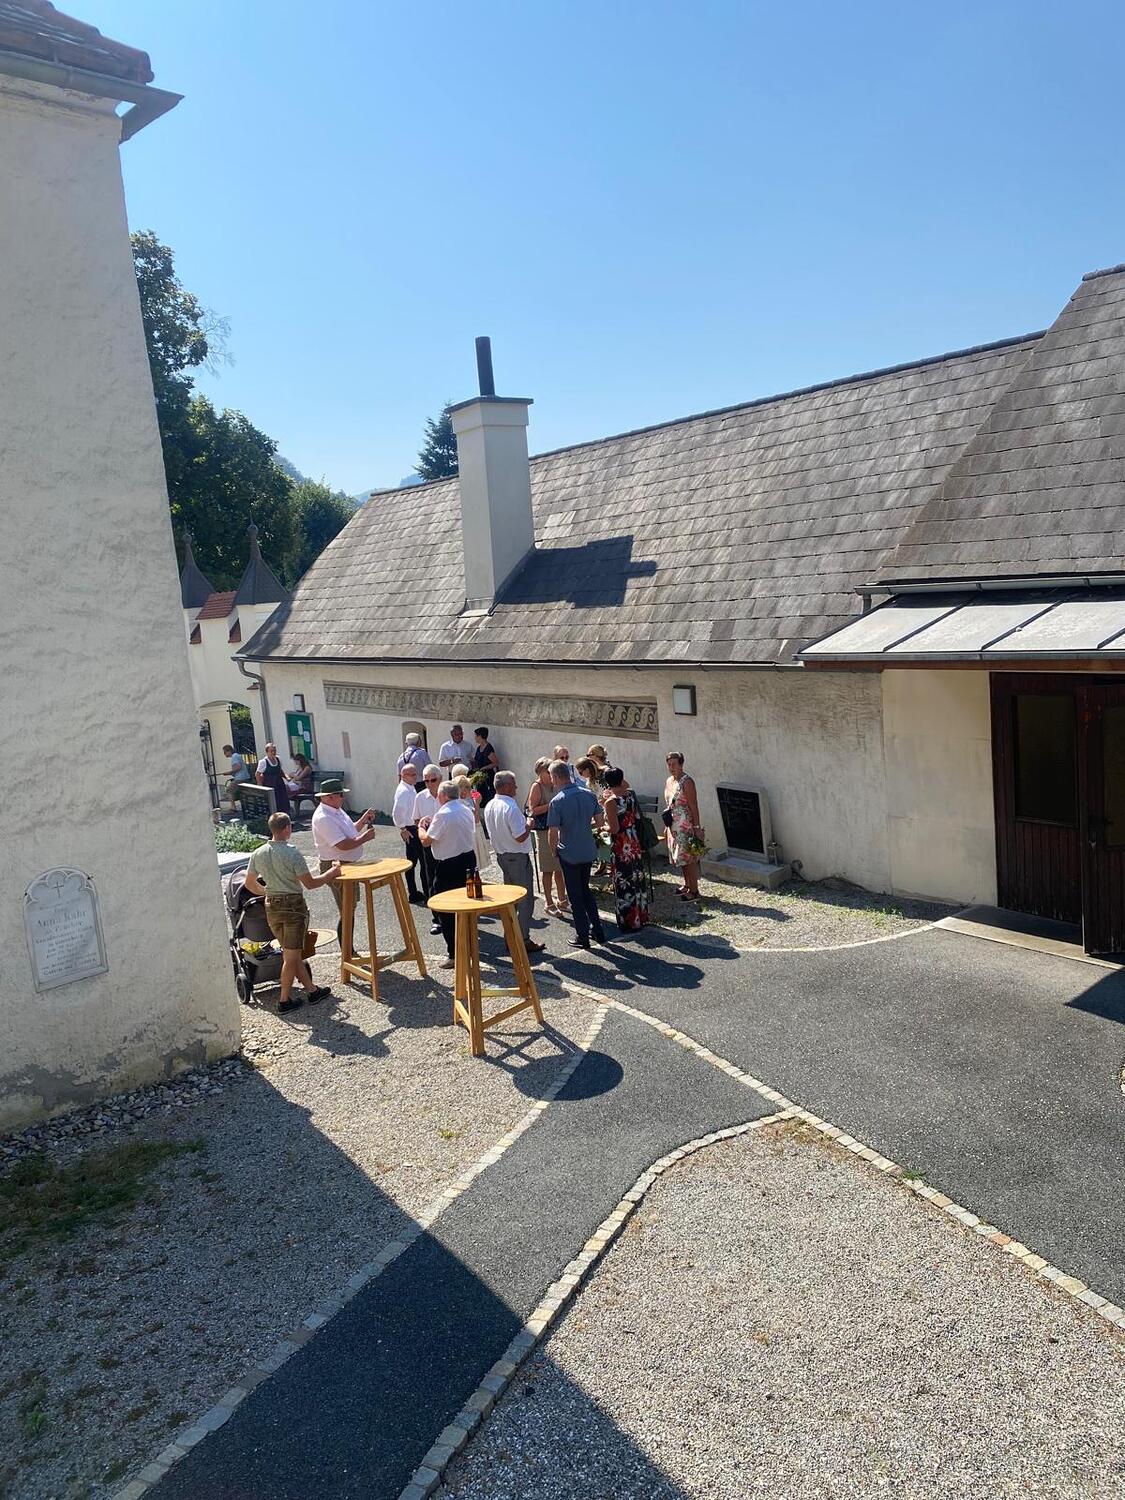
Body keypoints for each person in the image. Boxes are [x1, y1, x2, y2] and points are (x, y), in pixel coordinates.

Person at [243, 812, 340, 1012]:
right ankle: (284, 1000)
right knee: (290, 955)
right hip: (293, 907)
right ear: (287, 828)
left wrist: (268, 892)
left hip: (272, 907)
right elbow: (311, 884)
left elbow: (249, 883)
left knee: (291, 952)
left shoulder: (258, 853)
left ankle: (312, 990)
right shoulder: (292, 853)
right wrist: (331, 873)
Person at [310, 777, 380, 942]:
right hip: (336, 866)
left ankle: (348, 950)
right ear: (330, 797)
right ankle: (347, 950)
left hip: (345, 864)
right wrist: (365, 838)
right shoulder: (323, 817)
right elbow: (342, 844)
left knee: (349, 909)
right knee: (346, 910)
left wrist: (362, 821)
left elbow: (349, 832)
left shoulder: (335, 810)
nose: (343, 797)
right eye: (341, 794)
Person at [547, 758, 605, 949]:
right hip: (587, 849)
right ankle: (598, 929)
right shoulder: (588, 794)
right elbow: (600, 822)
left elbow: (553, 832)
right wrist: (583, 826)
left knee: (574, 895)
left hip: (569, 852)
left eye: (552, 777)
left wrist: (554, 850)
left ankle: (582, 935)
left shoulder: (557, 801)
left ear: (556, 777)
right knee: (585, 890)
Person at [418, 780, 477, 969]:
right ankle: (469, 945)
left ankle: (454, 953)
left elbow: (426, 841)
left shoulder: (443, 814)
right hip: (468, 860)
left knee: (445, 909)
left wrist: (421, 828)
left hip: (449, 864)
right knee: (468, 903)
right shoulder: (466, 809)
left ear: (443, 796)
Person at [484, 771, 545, 952]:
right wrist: (529, 824)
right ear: (506, 787)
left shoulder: (490, 805)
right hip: (516, 857)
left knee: (511, 900)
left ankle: (511, 936)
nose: (516, 787)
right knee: (525, 901)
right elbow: (520, 837)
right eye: (513, 784)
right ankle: (521, 940)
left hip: (502, 856)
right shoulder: (510, 807)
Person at [601, 767, 650, 932]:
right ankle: (641, 916)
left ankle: (628, 920)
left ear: (607, 782)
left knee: (624, 881)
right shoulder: (629, 795)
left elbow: (614, 828)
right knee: (636, 878)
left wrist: (603, 827)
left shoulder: (611, 802)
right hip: (633, 839)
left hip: (621, 844)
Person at [527, 757, 568, 916]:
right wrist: (552, 805)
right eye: (547, 771)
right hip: (544, 831)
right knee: (547, 869)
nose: (550, 775)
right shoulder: (537, 786)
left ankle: (562, 899)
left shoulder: (555, 784)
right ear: (540, 772)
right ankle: (549, 902)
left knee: (559, 868)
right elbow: (532, 810)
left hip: (557, 828)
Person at [663, 751, 703, 901]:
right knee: (680, 857)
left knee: (688, 857)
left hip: (685, 824)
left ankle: (694, 890)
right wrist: (667, 825)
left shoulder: (687, 782)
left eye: (674, 764)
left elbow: (693, 806)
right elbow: (669, 803)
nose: (671, 767)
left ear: (681, 764)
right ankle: (687, 884)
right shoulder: (669, 781)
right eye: (669, 764)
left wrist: (697, 827)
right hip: (673, 824)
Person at [412, 764, 443, 929]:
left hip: (446, 842)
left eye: (433, 780)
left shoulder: (447, 794)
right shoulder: (420, 797)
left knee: (448, 879)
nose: (430, 784)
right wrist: (423, 823)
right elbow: (416, 820)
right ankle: (437, 919)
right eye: (426, 781)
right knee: (431, 879)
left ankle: (453, 916)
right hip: (428, 842)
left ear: (440, 779)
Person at [391, 763, 425, 903]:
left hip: (411, 828)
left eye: (415, 774)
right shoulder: (404, 791)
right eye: (412, 775)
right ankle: (425, 892)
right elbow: (397, 812)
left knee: (412, 862)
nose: (415, 777)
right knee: (422, 861)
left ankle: (413, 892)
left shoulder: (408, 787)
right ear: (403, 776)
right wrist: (402, 829)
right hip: (410, 829)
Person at [455, 772, 490, 874]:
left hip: (470, 834)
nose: (470, 789)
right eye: (467, 787)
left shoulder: (462, 801)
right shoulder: (463, 803)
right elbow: (475, 819)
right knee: (473, 863)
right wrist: (477, 803)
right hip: (470, 836)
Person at [256, 742, 291, 816]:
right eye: (271, 751)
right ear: (267, 752)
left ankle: (284, 817)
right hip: (269, 785)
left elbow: (280, 771)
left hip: (279, 784)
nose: (273, 752)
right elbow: (257, 774)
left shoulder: (278, 759)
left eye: (274, 751)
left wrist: (286, 777)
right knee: (273, 803)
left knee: (283, 801)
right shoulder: (263, 762)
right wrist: (260, 787)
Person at [471, 727, 499, 807]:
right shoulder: (479, 748)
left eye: (476, 736)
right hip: (480, 776)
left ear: (480, 736)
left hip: (487, 776)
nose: (475, 738)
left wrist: (484, 768)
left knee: (488, 795)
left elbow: (495, 763)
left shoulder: (488, 749)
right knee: (480, 794)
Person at [223, 744, 253, 813]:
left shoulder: (234, 756)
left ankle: (233, 808)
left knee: (229, 790)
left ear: (229, 751)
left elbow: (238, 767)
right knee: (240, 792)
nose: (224, 754)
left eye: (225, 752)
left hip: (240, 778)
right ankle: (244, 806)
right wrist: (231, 773)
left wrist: (228, 772)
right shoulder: (237, 756)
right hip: (245, 777)